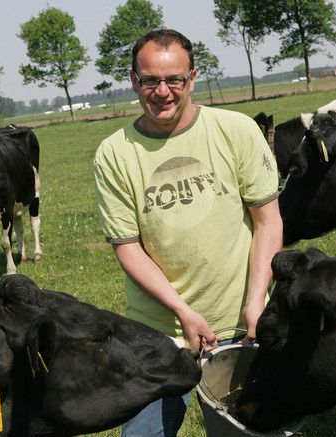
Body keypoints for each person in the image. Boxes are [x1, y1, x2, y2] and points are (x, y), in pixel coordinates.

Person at [93, 28, 282, 437]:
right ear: (134, 81)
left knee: (247, 430)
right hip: (160, 335)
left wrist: (256, 303)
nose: (162, 91)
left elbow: (268, 221)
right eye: (150, 80)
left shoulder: (236, 130)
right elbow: (128, 249)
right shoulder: (114, 153)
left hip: (241, 325)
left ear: (192, 78)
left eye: (174, 79)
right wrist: (183, 312)